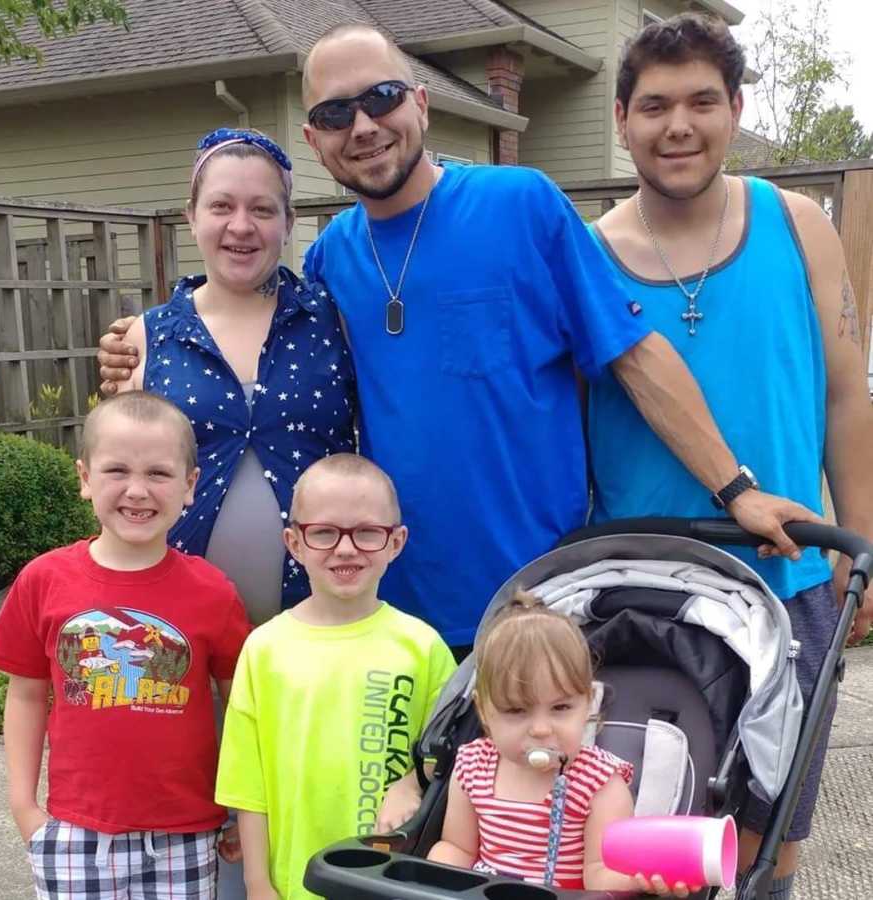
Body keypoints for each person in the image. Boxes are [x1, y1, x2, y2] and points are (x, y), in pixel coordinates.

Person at [98, 25, 816, 657]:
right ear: (314, 139)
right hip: (382, 612)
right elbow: (243, 320)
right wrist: (151, 334)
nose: (364, 125)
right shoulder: (331, 259)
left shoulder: (522, 204)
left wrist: (737, 489)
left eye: (381, 98)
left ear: (421, 102)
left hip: (535, 609)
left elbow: (634, 352)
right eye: (334, 113)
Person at [587, 14, 873, 899]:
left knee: (769, 847)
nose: (680, 125)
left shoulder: (797, 225)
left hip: (787, 588)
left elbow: (843, 393)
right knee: (645, 846)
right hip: (645, 602)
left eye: (703, 101)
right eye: (657, 105)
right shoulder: (590, 258)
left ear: (736, 107)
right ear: (622, 121)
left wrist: (858, 539)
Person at [0, 391, 252, 900]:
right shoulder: (44, 580)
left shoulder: (213, 591)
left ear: (190, 486)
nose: (137, 490)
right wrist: (24, 808)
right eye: (117, 470)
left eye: (158, 473)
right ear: (85, 478)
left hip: (186, 833)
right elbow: (24, 696)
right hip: (75, 830)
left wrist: (244, 810)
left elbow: (242, 705)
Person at [116, 126, 355, 625]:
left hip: (323, 623)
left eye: (262, 209)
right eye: (221, 206)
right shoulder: (148, 337)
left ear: (288, 222)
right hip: (182, 631)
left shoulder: (335, 321)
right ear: (192, 216)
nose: (241, 226)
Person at [214, 453, 457, 900]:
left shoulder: (422, 648)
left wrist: (411, 781)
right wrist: (256, 883)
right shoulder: (265, 649)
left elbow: (451, 756)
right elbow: (248, 786)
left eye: (367, 532)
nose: (346, 548)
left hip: (391, 882)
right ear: (294, 542)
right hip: (292, 884)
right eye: (324, 532)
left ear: (396, 542)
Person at [428, 592, 697, 896]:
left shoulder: (599, 783)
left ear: (587, 704)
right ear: (484, 713)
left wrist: (640, 879)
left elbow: (598, 874)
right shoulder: (472, 766)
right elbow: (457, 848)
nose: (541, 730)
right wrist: (434, 880)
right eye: (516, 711)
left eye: (561, 708)